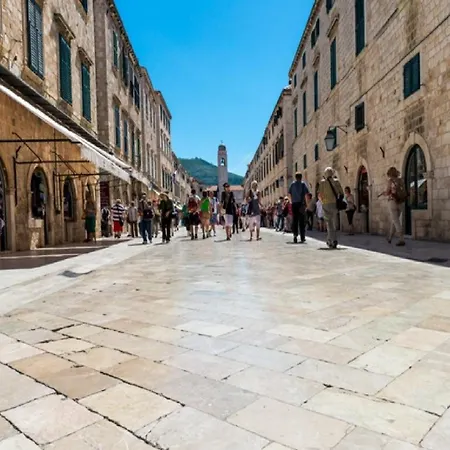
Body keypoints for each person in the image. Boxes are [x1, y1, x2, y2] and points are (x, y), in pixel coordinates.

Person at [319, 167, 344, 248]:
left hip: (326, 204)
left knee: (329, 223)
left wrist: (322, 202)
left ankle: (331, 240)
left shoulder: (322, 183)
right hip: (334, 204)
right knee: (333, 222)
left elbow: (320, 195)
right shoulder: (336, 181)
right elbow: (341, 193)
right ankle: (332, 239)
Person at [381, 167, 406, 246]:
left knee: (395, 221)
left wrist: (384, 193)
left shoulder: (390, 181)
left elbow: (387, 192)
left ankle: (401, 238)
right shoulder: (401, 180)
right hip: (401, 202)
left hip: (393, 202)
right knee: (395, 220)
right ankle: (390, 237)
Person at [289, 172, 309, 244]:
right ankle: (302, 237)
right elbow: (306, 195)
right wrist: (307, 204)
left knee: (295, 220)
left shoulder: (292, 184)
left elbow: (289, 194)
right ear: (301, 177)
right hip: (301, 204)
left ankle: (295, 235)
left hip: (294, 204)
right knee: (302, 221)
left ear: (295, 177)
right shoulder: (303, 184)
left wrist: (291, 202)